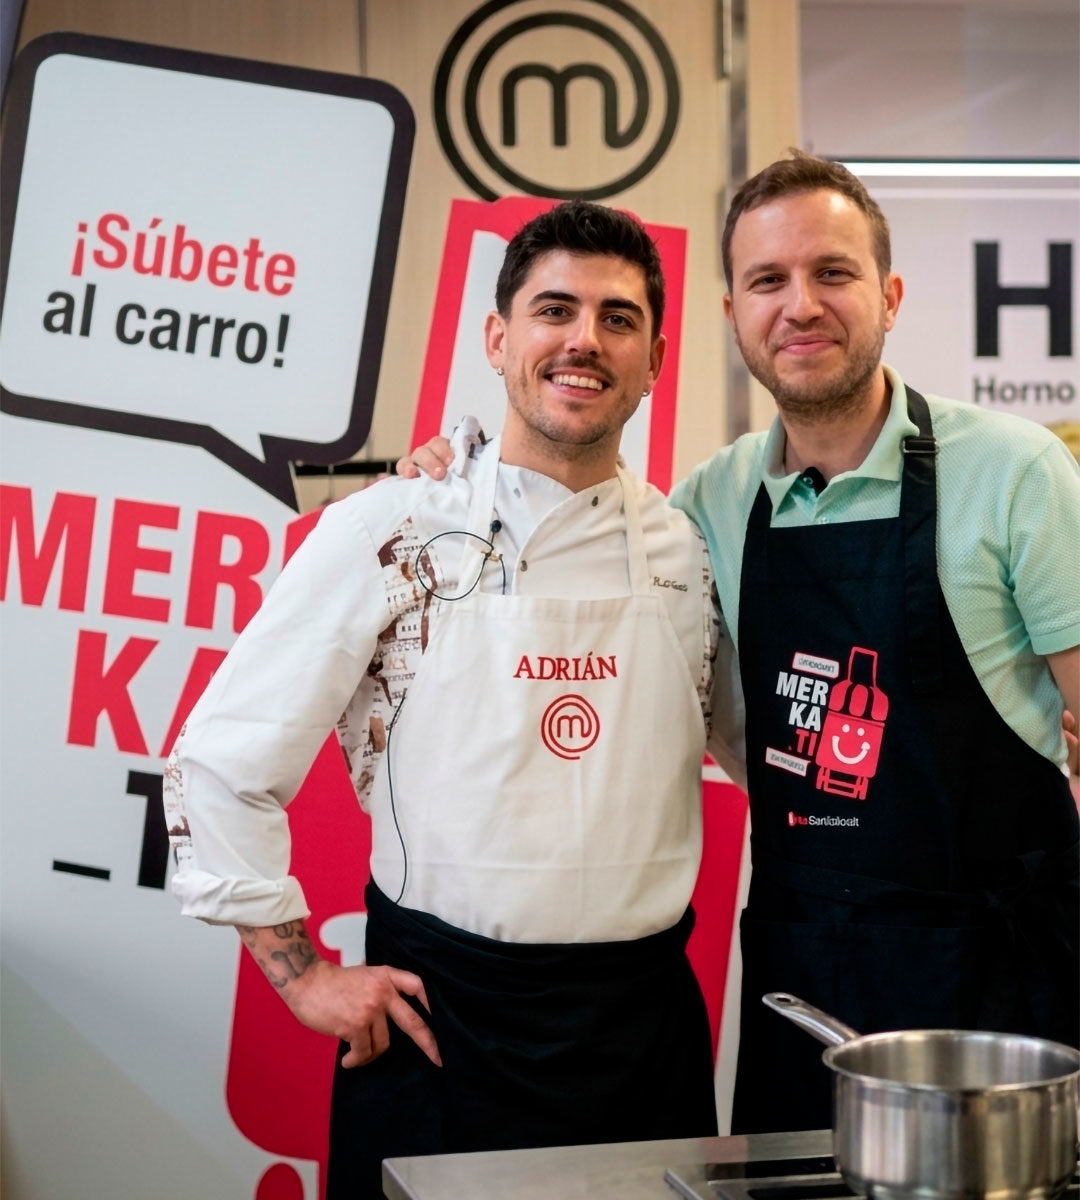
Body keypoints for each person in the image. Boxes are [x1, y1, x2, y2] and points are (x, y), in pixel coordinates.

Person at [400, 151, 1080, 1135]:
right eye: (768, 280)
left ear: (889, 295)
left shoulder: (1013, 474)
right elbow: (611, 634)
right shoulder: (706, 507)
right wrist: (448, 479)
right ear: (732, 318)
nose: (800, 305)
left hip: (1000, 990)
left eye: (833, 273)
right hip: (805, 980)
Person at [165, 200, 724, 1198]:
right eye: (554, 310)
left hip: (642, 1037)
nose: (584, 341)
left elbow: (775, 744)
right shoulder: (392, 529)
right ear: (498, 337)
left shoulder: (691, 550)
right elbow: (219, 763)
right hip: (441, 1028)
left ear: (655, 359)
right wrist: (303, 977)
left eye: (618, 318)